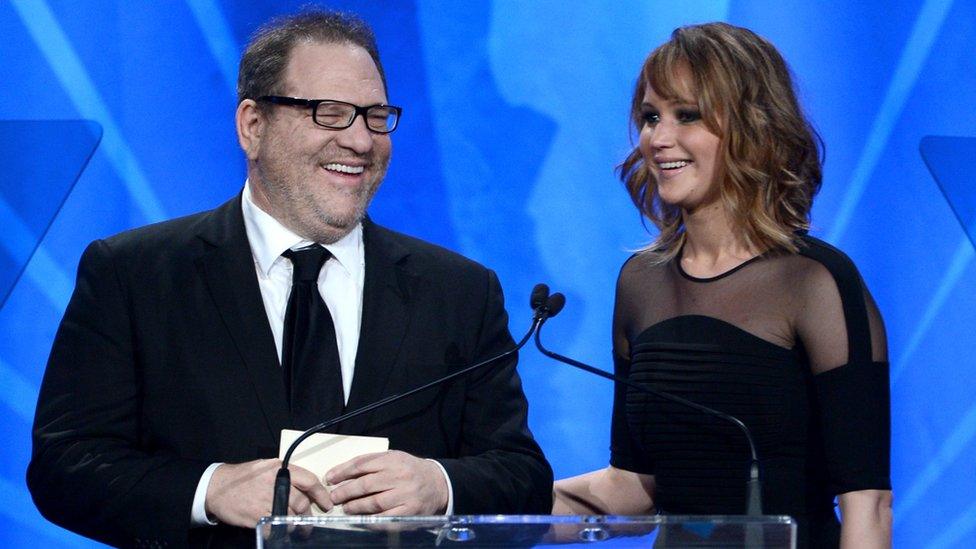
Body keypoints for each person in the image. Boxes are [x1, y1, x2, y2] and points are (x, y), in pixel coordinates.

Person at [27, 10, 551, 548]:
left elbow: (524, 477)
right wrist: (208, 490)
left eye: (375, 116)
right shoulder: (134, 274)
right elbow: (65, 465)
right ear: (253, 125)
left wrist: (440, 485)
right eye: (330, 113)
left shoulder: (458, 290)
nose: (361, 141)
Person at [551, 22, 892, 548]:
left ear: (752, 126)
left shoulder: (814, 281)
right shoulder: (641, 283)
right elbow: (635, 488)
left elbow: (867, 503)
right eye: (649, 117)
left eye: (687, 115)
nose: (658, 138)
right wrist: (479, 503)